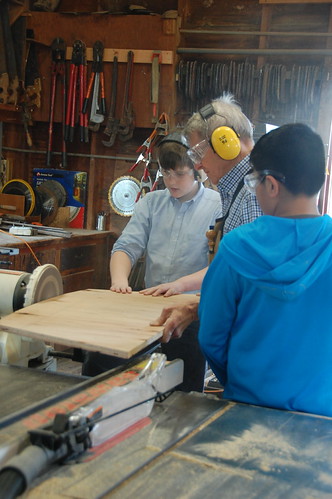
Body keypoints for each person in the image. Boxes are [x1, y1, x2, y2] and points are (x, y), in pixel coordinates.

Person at [198, 123, 332, 417]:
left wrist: (238, 382)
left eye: (254, 181)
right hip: (323, 417)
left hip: (247, 409)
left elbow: (211, 338)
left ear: (271, 185)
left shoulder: (234, 248)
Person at [82, 131, 223, 390]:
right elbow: (126, 246)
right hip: (148, 307)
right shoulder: (151, 202)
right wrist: (120, 282)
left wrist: (180, 285)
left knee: (182, 388)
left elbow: (220, 267)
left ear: (197, 171)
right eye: (166, 173)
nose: (171, 181)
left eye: (179, 173)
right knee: (102, 366)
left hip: (191, 312)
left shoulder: (218, 205)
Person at [146, 94, 262, 342]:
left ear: (226, 143)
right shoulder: (237, 190)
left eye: (199, 153)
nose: (197, 166)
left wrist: (195, 308)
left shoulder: (252, 193)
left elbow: (252, 282)